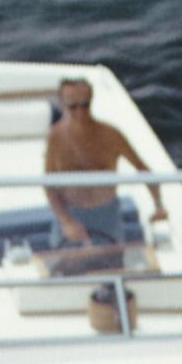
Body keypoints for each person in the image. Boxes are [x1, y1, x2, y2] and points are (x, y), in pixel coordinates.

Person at [44, 71, 146, 328]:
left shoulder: (111, 135)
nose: (80, 112)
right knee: (62, 272)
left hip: (107, 214)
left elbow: (143, 169)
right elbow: (50, 186)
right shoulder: (55, 139)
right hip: (71, 215)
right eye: (73, 106)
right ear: (62, 106)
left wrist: (159, 205)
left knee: (112, 269)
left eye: (85, 105)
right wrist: (66, 221)